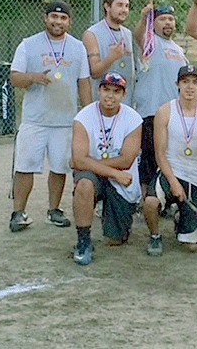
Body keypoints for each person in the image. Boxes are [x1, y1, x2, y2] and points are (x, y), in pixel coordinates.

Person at [9, 0, 91, 232]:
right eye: (53, 17)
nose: (58, 22)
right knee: (25, 166)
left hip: (64, 120)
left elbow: (83, 82)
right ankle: (18, 212)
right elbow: (15, 78)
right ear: (45, 19)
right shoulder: (28, 45)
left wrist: (87, 115)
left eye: (63, 18)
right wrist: (33, 77)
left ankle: (53, 210)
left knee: (59, 167)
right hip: (35, 119)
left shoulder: (77, 48)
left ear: (69, 22)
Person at [143, 65, 197, 256]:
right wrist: (173, 182)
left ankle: (182, 216)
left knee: (193, 247)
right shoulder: (165, 111)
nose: (190, 87)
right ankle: (154, 236)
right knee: (151, 203)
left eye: (195, 82)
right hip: (172, 171)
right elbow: (160, 154)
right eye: (185, 82)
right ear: (177, 84)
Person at [70, 72, 142, 265]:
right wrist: (113, 173)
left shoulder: (133, 119)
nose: (110, 96)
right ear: (99, 91)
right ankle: (83, 240)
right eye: (106, 90)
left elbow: (126, 160)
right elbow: (79, 161)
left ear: (123, 95)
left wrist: (86, 162)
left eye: (116, 91)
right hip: (104, 175)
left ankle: (113, 216)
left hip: (119, 175)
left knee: (114, 240)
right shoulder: (83, 117)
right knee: (84, 184)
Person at [132, 0, 188, 194]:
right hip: (151, 112)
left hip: (173, 114)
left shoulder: (178, 50)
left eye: (171, 19)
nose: (168, 23)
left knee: (168, 157)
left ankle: (163, 195)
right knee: (149, 157)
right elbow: (138, 34)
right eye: (163, 19)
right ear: (154, 23)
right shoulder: (150, 42)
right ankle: (145, 197)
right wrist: (143, 17)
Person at [83, 0, 135, 106]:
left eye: (127, 6)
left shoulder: (127, 34)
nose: (124, 10)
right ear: (107, 6)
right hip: (102, 106)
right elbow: (94, 72)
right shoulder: (92, 34)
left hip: (125, 105)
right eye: (119, 5)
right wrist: (111, 58)